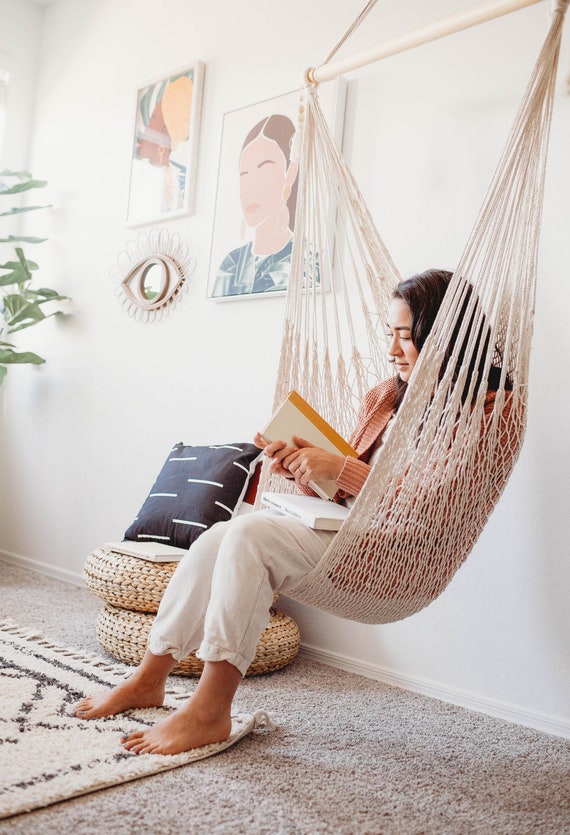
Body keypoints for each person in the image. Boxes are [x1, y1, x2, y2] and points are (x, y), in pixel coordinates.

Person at [74, 269, 466, 754]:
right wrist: (306, 466)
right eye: (390, 334)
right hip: (347, 533)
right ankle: (148, 679)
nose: (392, 350)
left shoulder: (485, 412)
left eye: (406, 336)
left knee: (250, 537)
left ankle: (209, 710)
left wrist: (341, 469)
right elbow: (346, 495)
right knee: (221, 535)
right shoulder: (385, 397)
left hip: (395, 556)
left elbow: (432, 504)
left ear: (446, 334)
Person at [211, 114, 299, 298]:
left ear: (290, 173)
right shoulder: (231, 264)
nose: (251, 188)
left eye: (264, 169)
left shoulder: (306, 260)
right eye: (244, 174)